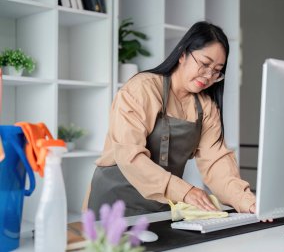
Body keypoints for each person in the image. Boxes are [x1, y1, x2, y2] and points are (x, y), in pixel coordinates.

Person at [86, 21, 256, 218]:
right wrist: (185, 191)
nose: (209, 75)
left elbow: (216, 162)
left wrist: (246, 201)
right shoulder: (141, 89)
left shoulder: (206, 107)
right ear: (183, 54)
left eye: (217, 70)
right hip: (114, 203)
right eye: (205, 64)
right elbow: (129, 157)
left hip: (161, 206)